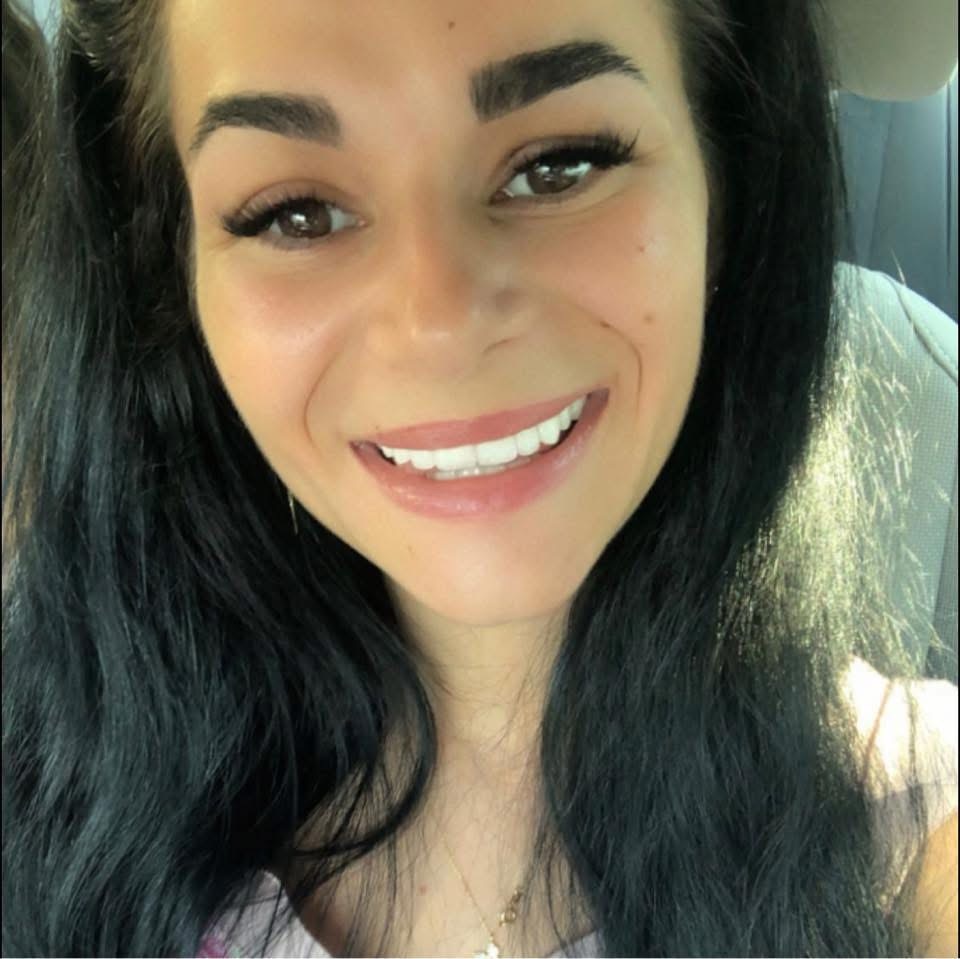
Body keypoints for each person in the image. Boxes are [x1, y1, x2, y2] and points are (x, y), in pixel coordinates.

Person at [1, 0, 956, 956]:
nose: (441, 325)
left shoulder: (916, 848)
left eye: (559, 166)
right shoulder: (57, 799)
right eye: (296, 214)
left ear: (724, 185)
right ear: (174, 281)